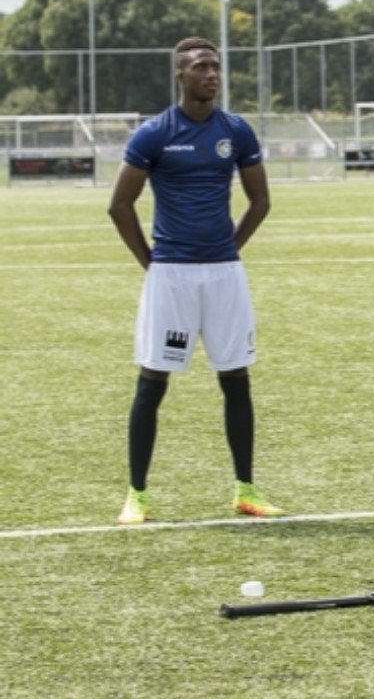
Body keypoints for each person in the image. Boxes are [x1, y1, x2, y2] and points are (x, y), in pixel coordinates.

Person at [108, 37, 283, 523]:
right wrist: (152, 262)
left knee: (236, 378)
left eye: (216, 66)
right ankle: (136, 496)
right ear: (180, 76)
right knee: (152, 381)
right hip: (171, 276)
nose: (212, 74)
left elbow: (260, 202)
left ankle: (246, 490)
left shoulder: (236, 132)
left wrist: (229, 250)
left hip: (224, 275)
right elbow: (119, 205)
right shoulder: (154, 134)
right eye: (201, 67)